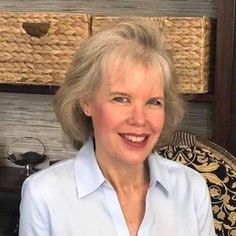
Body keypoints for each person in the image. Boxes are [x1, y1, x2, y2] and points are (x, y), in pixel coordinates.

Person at [19, 19, 215, 236]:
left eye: (153, 102)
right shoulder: (43, 194)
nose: (140, 120)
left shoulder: (191, 189)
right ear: (86, 102)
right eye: (121, 99)